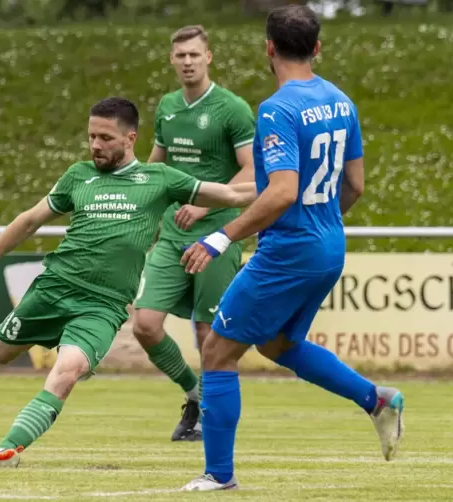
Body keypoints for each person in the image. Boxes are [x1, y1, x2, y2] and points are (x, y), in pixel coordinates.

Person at [0, 97, 258, 469]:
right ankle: (65, 344)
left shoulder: (158, 179)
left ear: (130, 138)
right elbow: (30, 220)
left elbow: (231, 194)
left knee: (67, 372)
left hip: (102, 306)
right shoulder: (79, 175)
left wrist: (287, 182)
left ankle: (6, 452)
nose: (96, 145)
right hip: (54, 287)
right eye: (91, 136)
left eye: (106, 138)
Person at [178, 6, 405, 491]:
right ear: (317, 47)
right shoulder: (341, 101)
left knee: (217, 351)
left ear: (269, 48)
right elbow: (356, 185)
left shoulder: (278, 109)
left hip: (291, 248)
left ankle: (218, 475)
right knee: (278, 344)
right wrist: (320, 222)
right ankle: (376, 400)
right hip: (329, 244)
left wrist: (220, 237)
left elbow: (281, 191)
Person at [131, 25, 257, 442]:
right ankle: (194, 393)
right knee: (146, 324)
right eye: (180, 55)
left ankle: (208, 419)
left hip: (218, 233)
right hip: (172, 233)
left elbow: (252, 170)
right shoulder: (167, 107)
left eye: (194, 55)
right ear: (172, 60)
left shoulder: (231, 109)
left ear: (209, 58)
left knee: (208, 332)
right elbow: (155, 166)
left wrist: (205, 203)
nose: (187, 61)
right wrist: (136, 206)